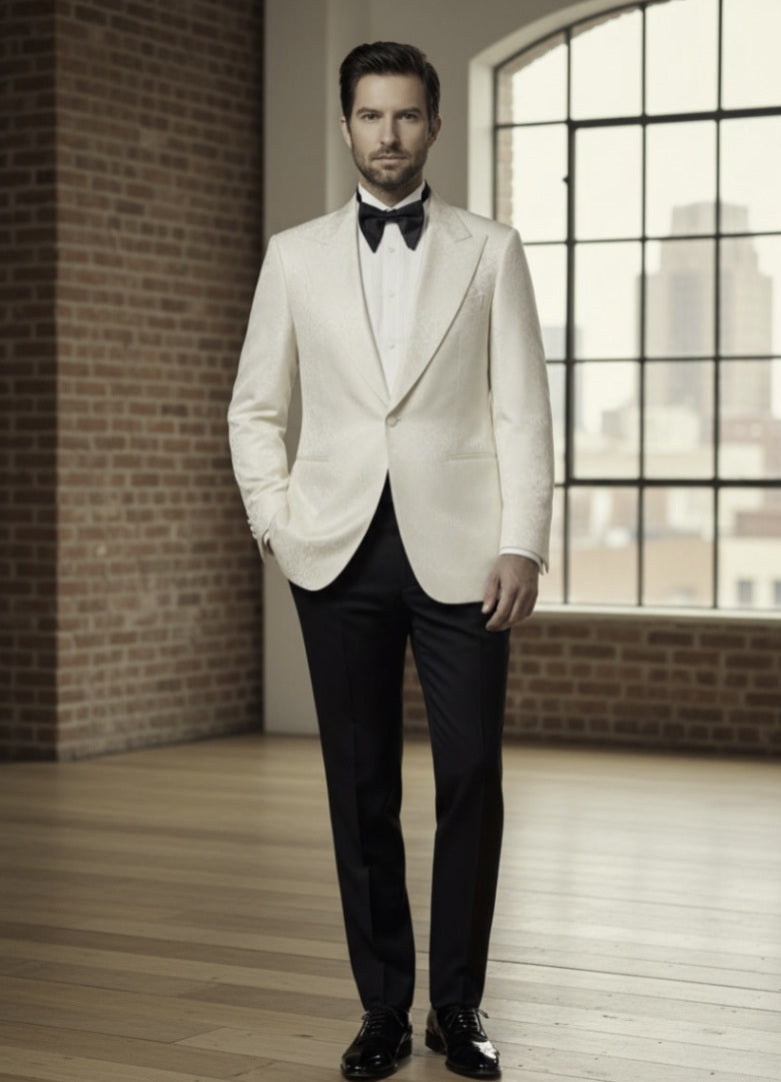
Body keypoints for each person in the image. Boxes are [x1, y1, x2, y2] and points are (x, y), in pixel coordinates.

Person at [228, 41, 553, 1080]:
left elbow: (521, 409)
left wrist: (523, 540)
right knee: (358, 785)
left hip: (466, 551)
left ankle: (456, 1006)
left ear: (435, 125)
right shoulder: (293, 254)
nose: (388, 136)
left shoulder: (490, 249)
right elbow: (256, 408)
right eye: (370, 116)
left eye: (407, 116)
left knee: (469, 775)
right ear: (345, 125)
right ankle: (382, 1007)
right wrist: (276, 523)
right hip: (334, 550)